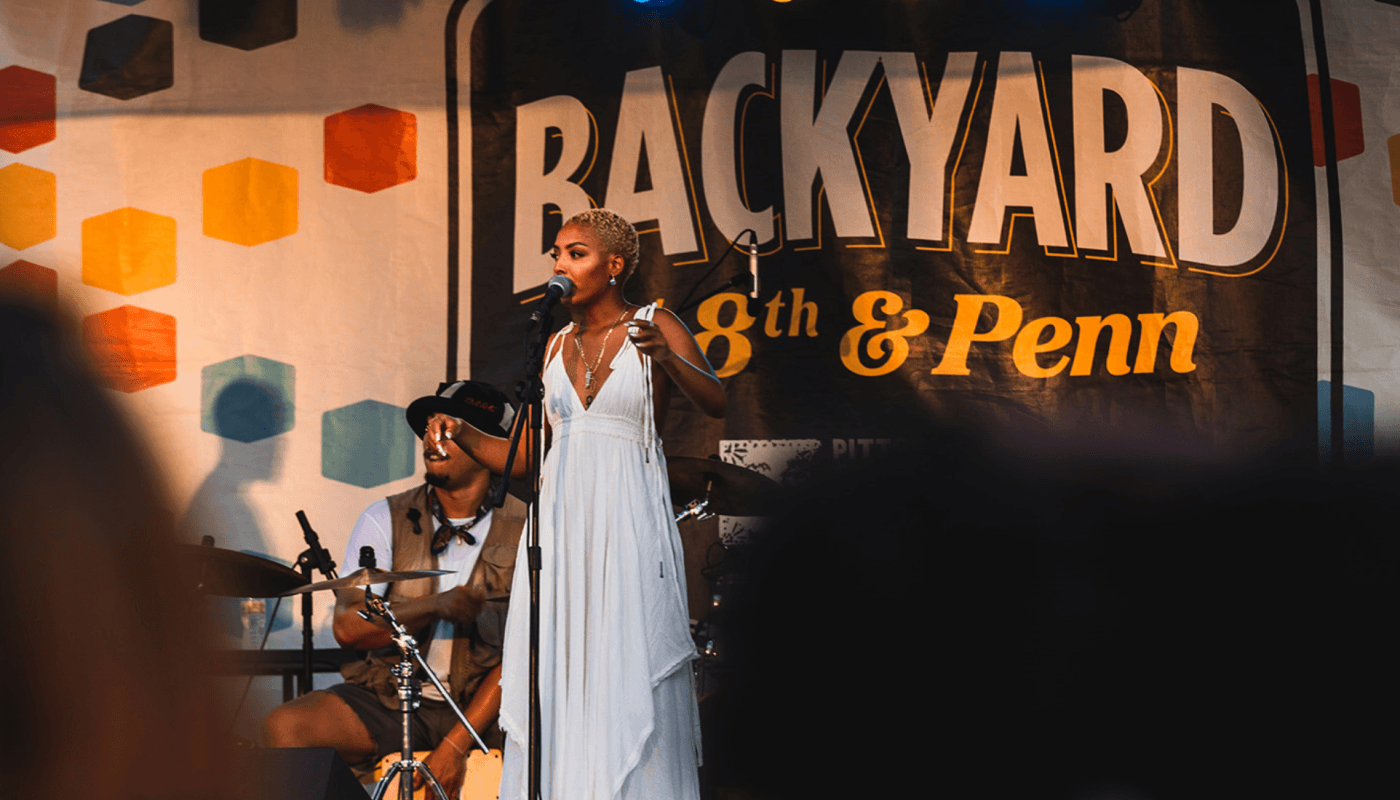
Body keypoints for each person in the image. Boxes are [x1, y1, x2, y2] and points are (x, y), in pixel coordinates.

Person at [429, 208, 726, 800]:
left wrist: (666, 358)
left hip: (628, 522)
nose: (560, 264)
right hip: (563, 530)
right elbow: (530, 455)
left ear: (614, 266)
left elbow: (715, 398)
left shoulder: (654, 321)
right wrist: (463, 434)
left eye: (576, 253)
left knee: (627, 666)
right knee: (565, 669)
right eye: (557, 254)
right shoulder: (556, 342)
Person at [262, 380, 528, 797]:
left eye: (449, 430)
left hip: (490, 709)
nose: (430, 441)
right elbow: (349, 629)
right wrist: (435, 605)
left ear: (490, 449)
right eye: (428, 430)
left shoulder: (531, 526)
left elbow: (527, 653)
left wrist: (455, 745)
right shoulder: (384, 516)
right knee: (286, 727)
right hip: (394, 698)